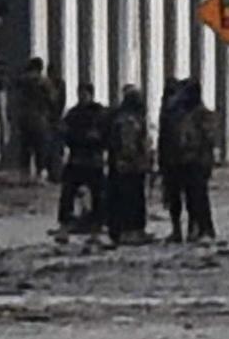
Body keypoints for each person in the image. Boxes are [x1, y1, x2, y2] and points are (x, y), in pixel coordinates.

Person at [159, 78, 219, 242]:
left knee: (195, 198)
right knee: (177, 199)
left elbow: (208, 139)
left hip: (194, 162)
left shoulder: (201, 114)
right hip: (177, 162)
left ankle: (199, 229)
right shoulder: (175, 114)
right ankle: (182, 230)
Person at [57, 84, 109, 231]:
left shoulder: (99, 113)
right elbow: (64, 133)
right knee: (68, 192)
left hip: (94, 159)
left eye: (85, 94)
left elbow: (105, 134)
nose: (82, 97)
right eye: (80, 94)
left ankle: (99, 220)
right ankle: (66, 220)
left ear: (91, 95)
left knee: (99, 193)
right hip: (77, 158)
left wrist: (97, 141)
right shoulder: (73, 114)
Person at [105, 85, 152, 244]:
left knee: (120, 199)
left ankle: (122, 231)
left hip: (119, 166)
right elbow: (129, 145)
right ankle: (131, 231)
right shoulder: (130, 120)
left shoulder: (118, 117)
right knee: (132, 199)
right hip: (130, 167)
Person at [11, 56, 60, 180]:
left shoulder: (22, 80)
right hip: (40, 118)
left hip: (24, 117)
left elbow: (14, 95)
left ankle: (24, 174)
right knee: (40, 147)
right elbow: (53, 100)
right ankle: (39, 174)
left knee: (25, 146)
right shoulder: (44, 82)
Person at [42, 61, 69, 178]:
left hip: (52, 120)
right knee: (52, 147)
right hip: (51, 119)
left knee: (54, 147)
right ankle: (54, 172)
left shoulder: (53, 84)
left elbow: (59, 102)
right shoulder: (50, 84)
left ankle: (55, 172)